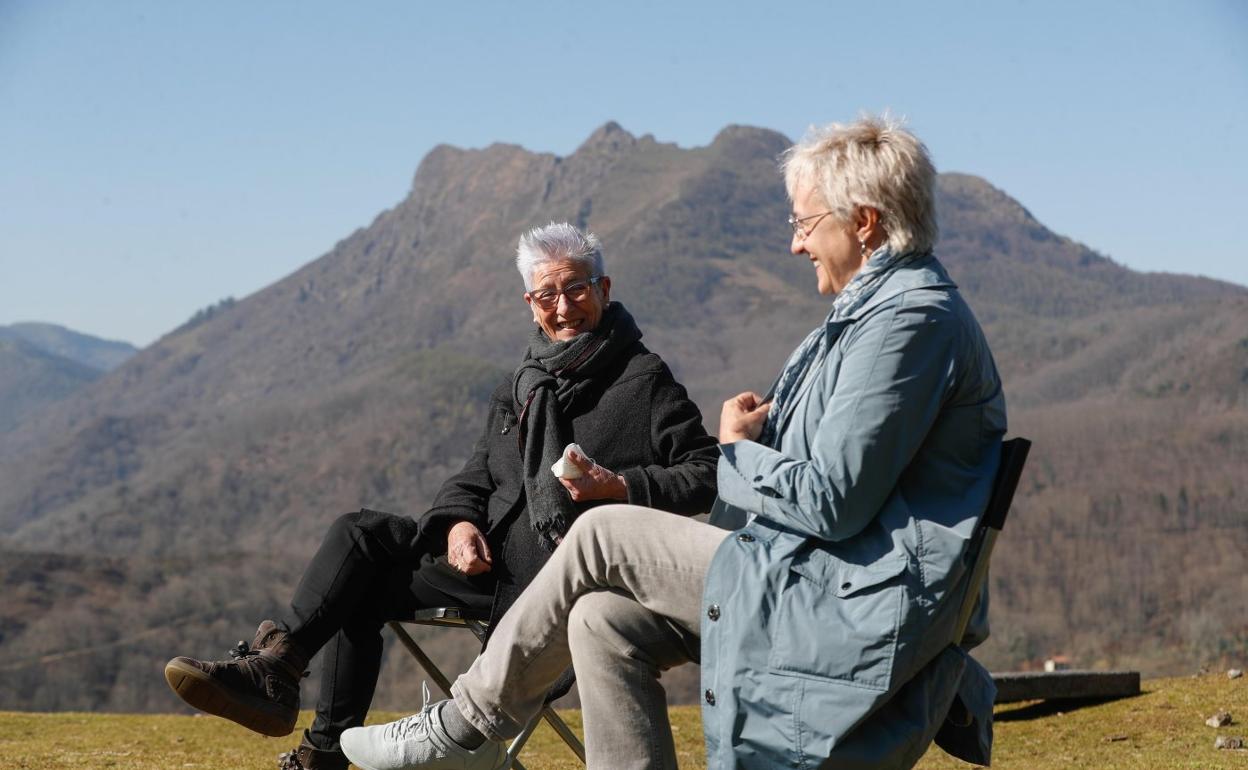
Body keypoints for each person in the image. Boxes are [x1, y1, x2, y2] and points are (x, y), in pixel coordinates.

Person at [340, 115, 1007, 770]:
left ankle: (466, 728)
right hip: (817, 569)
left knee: (602, 535)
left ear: (862, 223)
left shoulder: (907, 326)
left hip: (847, 593)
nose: (796, 246)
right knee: (601, 619)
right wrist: (754, 440)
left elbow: (833, 501)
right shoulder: (868, 323)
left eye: (804, 224)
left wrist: (738, 455)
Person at [162, 222, 720, 770]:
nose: (564, 306)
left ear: (603, 289)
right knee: (359, 540)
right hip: (486, 565)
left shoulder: (644, 379)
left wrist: (619, 487)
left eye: (576, 288)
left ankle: (317, 745)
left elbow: (707, 471)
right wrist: (457, 525)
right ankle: (281, 670)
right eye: (547, 293)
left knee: (362, 591)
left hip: (553, 584)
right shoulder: (522, 384)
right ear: (530, 303)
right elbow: (474, 476)